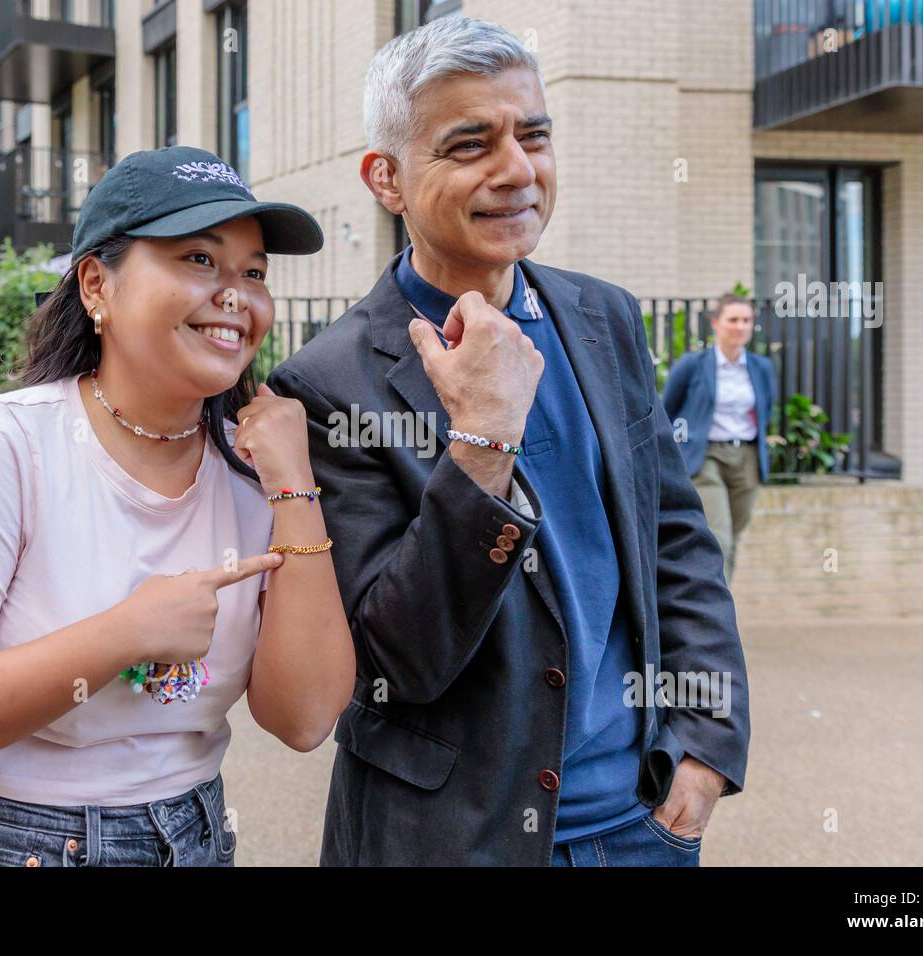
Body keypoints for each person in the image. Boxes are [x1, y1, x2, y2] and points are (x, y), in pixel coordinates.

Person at [267, 16, 750, 867]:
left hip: (643, 825)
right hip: (451, 841)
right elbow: (393, 661)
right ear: (387, 178)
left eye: (534, 134)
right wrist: (481, 442)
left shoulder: (602, 316)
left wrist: (707, 744)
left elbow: (676, 539)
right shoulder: (324, 384)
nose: (518, 170)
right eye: (469, 145)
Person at [0, 146, 355, 867]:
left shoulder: (255, 475)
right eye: (197, 260)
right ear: (97, 285)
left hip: (193, 837)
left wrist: (296, 486)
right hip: (9, 844)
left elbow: (305, 719)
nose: (235, 295)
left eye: (253, 272)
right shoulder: (9, 445)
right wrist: (126, 633)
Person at [662, 294, 778, 586]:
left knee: (734, 537)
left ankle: (722, 605)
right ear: (716, 323)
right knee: (719, 535)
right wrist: (678, 449)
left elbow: (767, 409)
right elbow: (668, 410)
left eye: (747, 320)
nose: (740, 327)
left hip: (747, 458)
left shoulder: (761, 368)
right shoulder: (694, 364)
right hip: (707, 457)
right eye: (733, 320)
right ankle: (716, 620)